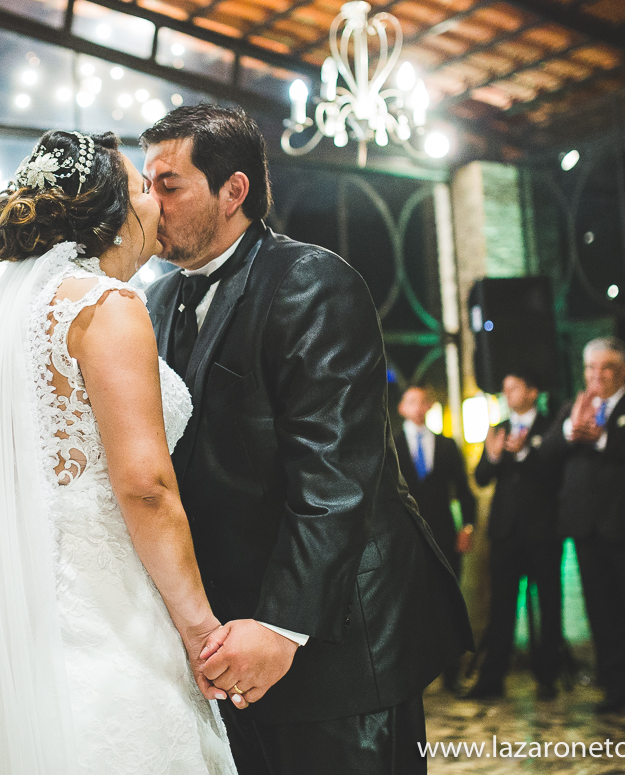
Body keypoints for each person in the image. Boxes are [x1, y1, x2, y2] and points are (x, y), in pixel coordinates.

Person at [0, 131, 236, 774]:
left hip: (23, 614)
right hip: (109, 612)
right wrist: (198, 626)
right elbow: (146, 486)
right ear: (112, 218)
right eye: (141, 188)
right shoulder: (108, 305)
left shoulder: (18, 315)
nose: (155, 201)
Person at [141, 105, 472, 775]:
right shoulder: (152, 304)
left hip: (338, 639)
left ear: (233, 192)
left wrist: (279, 626)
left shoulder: (311, 283)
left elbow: (338, 478)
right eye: (147, 186)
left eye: (168, 186)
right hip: (226, 641)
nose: (151, 205)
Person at [540, 337, 625, 715]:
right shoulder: (574, 407)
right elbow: (546, 455)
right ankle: (618, 687)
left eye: (606, 368)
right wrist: (569, 431)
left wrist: (602, 439)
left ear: (624, 370)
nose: (597, 375)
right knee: (603, 614)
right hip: (588, 531)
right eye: (590, 368)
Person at [467, 371, 563, 701]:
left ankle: (548, 675)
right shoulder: (499, 429)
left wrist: (523, 454)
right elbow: (481, 478)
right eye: (505, 388)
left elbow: (555, 473)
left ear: (533, 391)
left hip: (543, 529)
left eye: (514, 387)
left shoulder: (551, 425)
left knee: (548, 603)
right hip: (506, 531)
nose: (507, 394)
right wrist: (493, 456)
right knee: (502, 605)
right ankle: (492, 677)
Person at [393, 385, 477, 580]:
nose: (418, 408)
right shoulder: (392, 446)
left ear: (430, 406)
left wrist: (467, 526)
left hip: (444, 531)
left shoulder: (446, 444)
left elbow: (463, 487)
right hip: (406, 533)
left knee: (448, 587)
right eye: (412, 402)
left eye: (423, 402)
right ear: (401, 408)